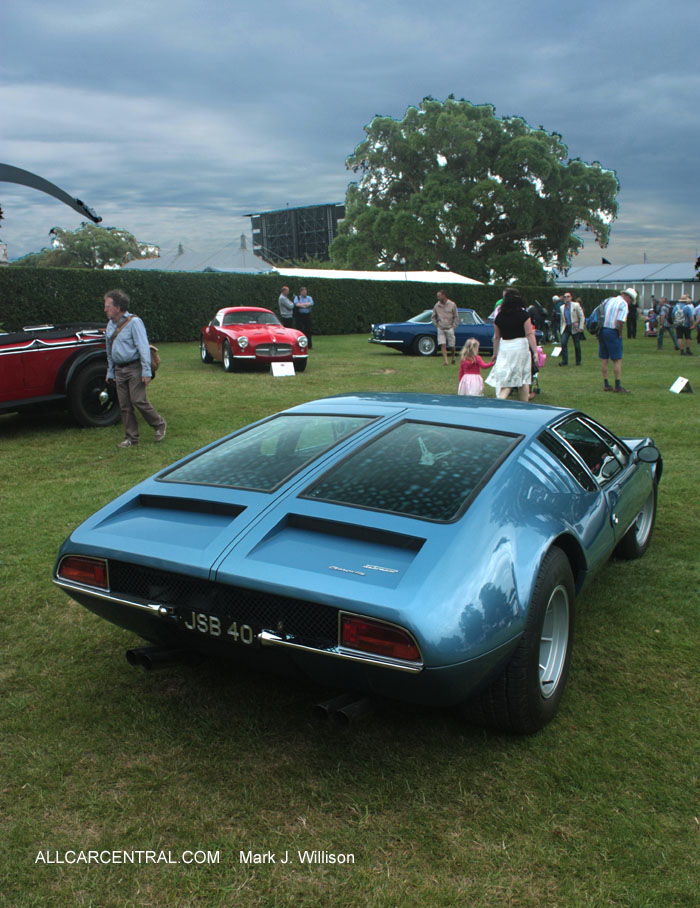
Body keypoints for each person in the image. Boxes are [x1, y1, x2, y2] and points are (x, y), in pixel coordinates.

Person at [104, 289, 166, 448]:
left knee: (138, 400)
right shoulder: (110, 325)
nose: (105, 309)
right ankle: (132, 438)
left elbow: (143, 347)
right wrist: (111, 371)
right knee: (124, 406)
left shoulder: (134, 322)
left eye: (108, 306)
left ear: (118, 307)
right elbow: (109, 351)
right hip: (119, 370)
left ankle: (159, 424)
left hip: (134, 368)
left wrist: (146, 371)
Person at [485, 289, 538, 401]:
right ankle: (519, 404)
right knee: (523, 379)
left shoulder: (499, 317)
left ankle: (505, 401)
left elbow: (496, 337)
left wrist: (495, 353)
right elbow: (529, 334)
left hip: (505, 347)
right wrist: (535, 352)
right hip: (520, 347)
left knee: (507, 379)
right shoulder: (524, 315)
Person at [598, 287, 636, 393]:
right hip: (612, 331)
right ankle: (617, 385)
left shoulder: (608, 300)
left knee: (604, 358)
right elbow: (621, 320)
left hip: (602, 330)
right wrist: (620, 333)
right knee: (617, 359)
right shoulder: (623, 304)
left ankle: (606, 383)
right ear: (628, 297)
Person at [431, 289, 459, 365]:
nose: (438, 298)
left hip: (449, 327)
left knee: (452, 345)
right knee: (442, 344)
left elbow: (456, 316)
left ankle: (453, 357)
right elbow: (433, 317)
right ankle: (446, 361)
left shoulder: (452, 304)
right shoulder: (436, 305)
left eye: (439, 296)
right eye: (437, 296)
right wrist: (436, 324)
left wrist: (454, 326)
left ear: (443, 295)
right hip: (440, 327)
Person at [558, 291, 585, 366]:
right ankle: (564, 361)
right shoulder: (561, 307)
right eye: (565, 297)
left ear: (571, 298)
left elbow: (582, 316)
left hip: (574, 326)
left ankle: (578, 361)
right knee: (563, 343)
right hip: (566, 327)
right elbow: (562, 320)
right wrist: (561, 329)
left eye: (568, 296)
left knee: (576, 344)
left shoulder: (576, 305)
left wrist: (581, 327)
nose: (566, 298)